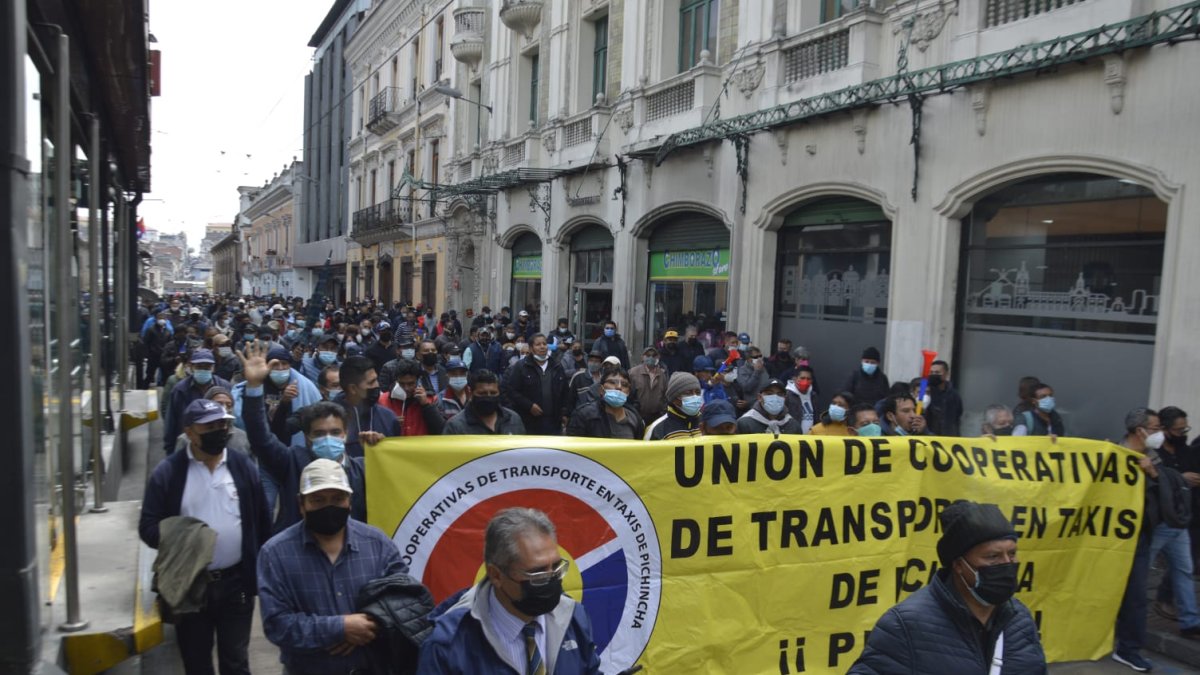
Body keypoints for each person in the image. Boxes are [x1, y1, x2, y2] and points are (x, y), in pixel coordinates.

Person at [139, 399, 270, 675]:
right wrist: (185, 537)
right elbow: (148, 526)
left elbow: (261, 520)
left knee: (236, 660)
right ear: (189, 432)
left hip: (237, 585)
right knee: (196, 661)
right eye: (209, 426)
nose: (219, 430)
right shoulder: (169, 474)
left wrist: (258, 572)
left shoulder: (242, 468)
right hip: (191, 585)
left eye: (223, 424)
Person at [848, 500, 1046, 674]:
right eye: (992, 557)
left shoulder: (1020, 620)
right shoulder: (905, 626)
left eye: (1011, 554)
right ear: (958, 564)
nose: (1006, 564)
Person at [257, 459, 410, 675]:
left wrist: (370, 624)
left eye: (338, 499)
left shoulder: (378, 544)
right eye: (318, 500)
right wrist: (340, 628)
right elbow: (277, 624)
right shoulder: (275, 554)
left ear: (349, 501)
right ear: (301, 504)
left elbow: (404, 602)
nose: (329, 507)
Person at [417, 508, 602, 674]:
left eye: (555, 567)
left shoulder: (573, 617)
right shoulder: (448, 644)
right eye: (536, 573)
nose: (551, 580)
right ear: (496, 575)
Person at [240, 342, 367, 533]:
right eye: (319, 434)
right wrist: (255, 386)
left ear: (345, 434)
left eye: (334, 432)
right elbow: (261, 438)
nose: (327, 438)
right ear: (307, 437)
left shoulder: (362, 469)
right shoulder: (292, 462)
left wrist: (380, 448)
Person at [1114, 407, 1174, 672]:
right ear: (1140, 430)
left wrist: (1153, 474)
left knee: (1136, 594)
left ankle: (1128, 649)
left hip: (1139, 537)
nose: (1160, 433)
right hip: (1106, 537)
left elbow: (1167, 498)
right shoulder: (1111, 454)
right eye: (1156, 427)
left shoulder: (1154, 459)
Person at [163, 349, 234, 454]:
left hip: (219, 444)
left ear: (213, 368)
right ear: (191, 367)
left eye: (207, 367)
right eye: (199, 366)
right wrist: (170, 449)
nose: (203, 370)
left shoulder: (224, 387)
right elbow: (171, 421)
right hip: (189, 445)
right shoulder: (180, 390)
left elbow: (232, 419)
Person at [334, 356, 401, 458]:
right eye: (371, 382)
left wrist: (383, 446)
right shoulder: (330, 420)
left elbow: (396, 458)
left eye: (376, 380)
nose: (377, 385)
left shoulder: (388, 417)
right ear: (353, 388)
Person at [501, 334, 568, 435]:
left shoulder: (557, 366)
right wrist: (529, 405)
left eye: (544, 344)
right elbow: (512, 391)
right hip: (529, 422)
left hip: (553, 422)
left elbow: (565, 392)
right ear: (531, 348)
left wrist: (564, 413)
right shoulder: (521, 366)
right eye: (538, 344)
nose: (542, 346)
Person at [567, 368, 645, 439]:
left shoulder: (635, 419)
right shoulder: (584, 416)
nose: (619, 387)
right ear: (601, 390)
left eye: (624, 384)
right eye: (612, 382)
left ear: (628, 392)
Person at [444, 369, 526, 435]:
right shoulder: (455, 426)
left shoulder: (513, 419)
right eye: (482, 393)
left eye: (493, 393)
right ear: (471, 393)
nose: (488, 397)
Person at [173, 387, 250, 456]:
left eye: (229, 405)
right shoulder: (186, 440)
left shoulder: (242, 437)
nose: (224, 408)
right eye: (218, 404)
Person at [379, 358, 447, 437]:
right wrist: (389, 425)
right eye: (402, 384)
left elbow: (441, 430)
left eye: (411, 384)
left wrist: (426, 406)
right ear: (396, 380)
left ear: (418, 381)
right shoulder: (383, 400)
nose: (406, 388)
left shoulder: (431, 399)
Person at [644, 372, 704, 440]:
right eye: (688, 393)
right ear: (674, 398)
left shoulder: (707, 421)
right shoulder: (657, 428)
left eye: (698, 392)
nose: (694, 396)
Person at [738, 379, 804, 435]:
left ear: (785, 398)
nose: (775, 397)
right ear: (759, 397)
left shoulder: (793, 425)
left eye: (780, 394)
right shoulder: (744, 424)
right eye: (769, 394)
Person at [629, 346, 669, 424]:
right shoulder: (633, 373)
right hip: (638, 415)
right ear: (642, 357)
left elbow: (665, 395)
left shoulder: (662, 374)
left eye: (654, 355)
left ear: (658, 357)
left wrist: (663, 411)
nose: (651, 357)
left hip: (657, 417)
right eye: (648, 355)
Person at [926, 360, 964, 436]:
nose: (934, 375)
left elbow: (957, 416)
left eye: (937, 372)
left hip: (948, 438)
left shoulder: (954, 395)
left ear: (946, 374)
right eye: (931, 372)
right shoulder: (925, 392)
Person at [784, 366, 819, 433]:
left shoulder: (813, 395)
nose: (805, 381)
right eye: (802, 378)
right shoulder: (787, 395)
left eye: (808, 379)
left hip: (811, 438)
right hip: (793, 437)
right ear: (795, 378)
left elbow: (816, 418)